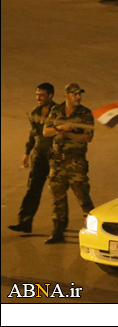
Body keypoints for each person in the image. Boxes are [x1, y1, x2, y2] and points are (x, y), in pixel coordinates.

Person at [42, 83, 95, 244]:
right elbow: (46, 131)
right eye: (74, 94)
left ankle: (92, 231)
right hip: (57, 161)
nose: (78, 97)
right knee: (57, 197)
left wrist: (69, 135)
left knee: (83, 196)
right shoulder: (56, 111)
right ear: (66, 96)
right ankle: (58, 230)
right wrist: (60, 128)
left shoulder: (85, 113)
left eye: (79, 94)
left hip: (76, 162)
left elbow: (88, 137)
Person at [8, 83, 58, 234]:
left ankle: (59, 227)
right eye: (37, 94)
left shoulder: (58, 112)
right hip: (39, 155)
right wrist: (26, 153)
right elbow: (33, 134)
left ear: (50, 95)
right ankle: (24, 222)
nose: (38, 98)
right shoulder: (35, 111)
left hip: (54, 156)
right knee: (32, 190)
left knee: (57, 191)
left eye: (42, 95)